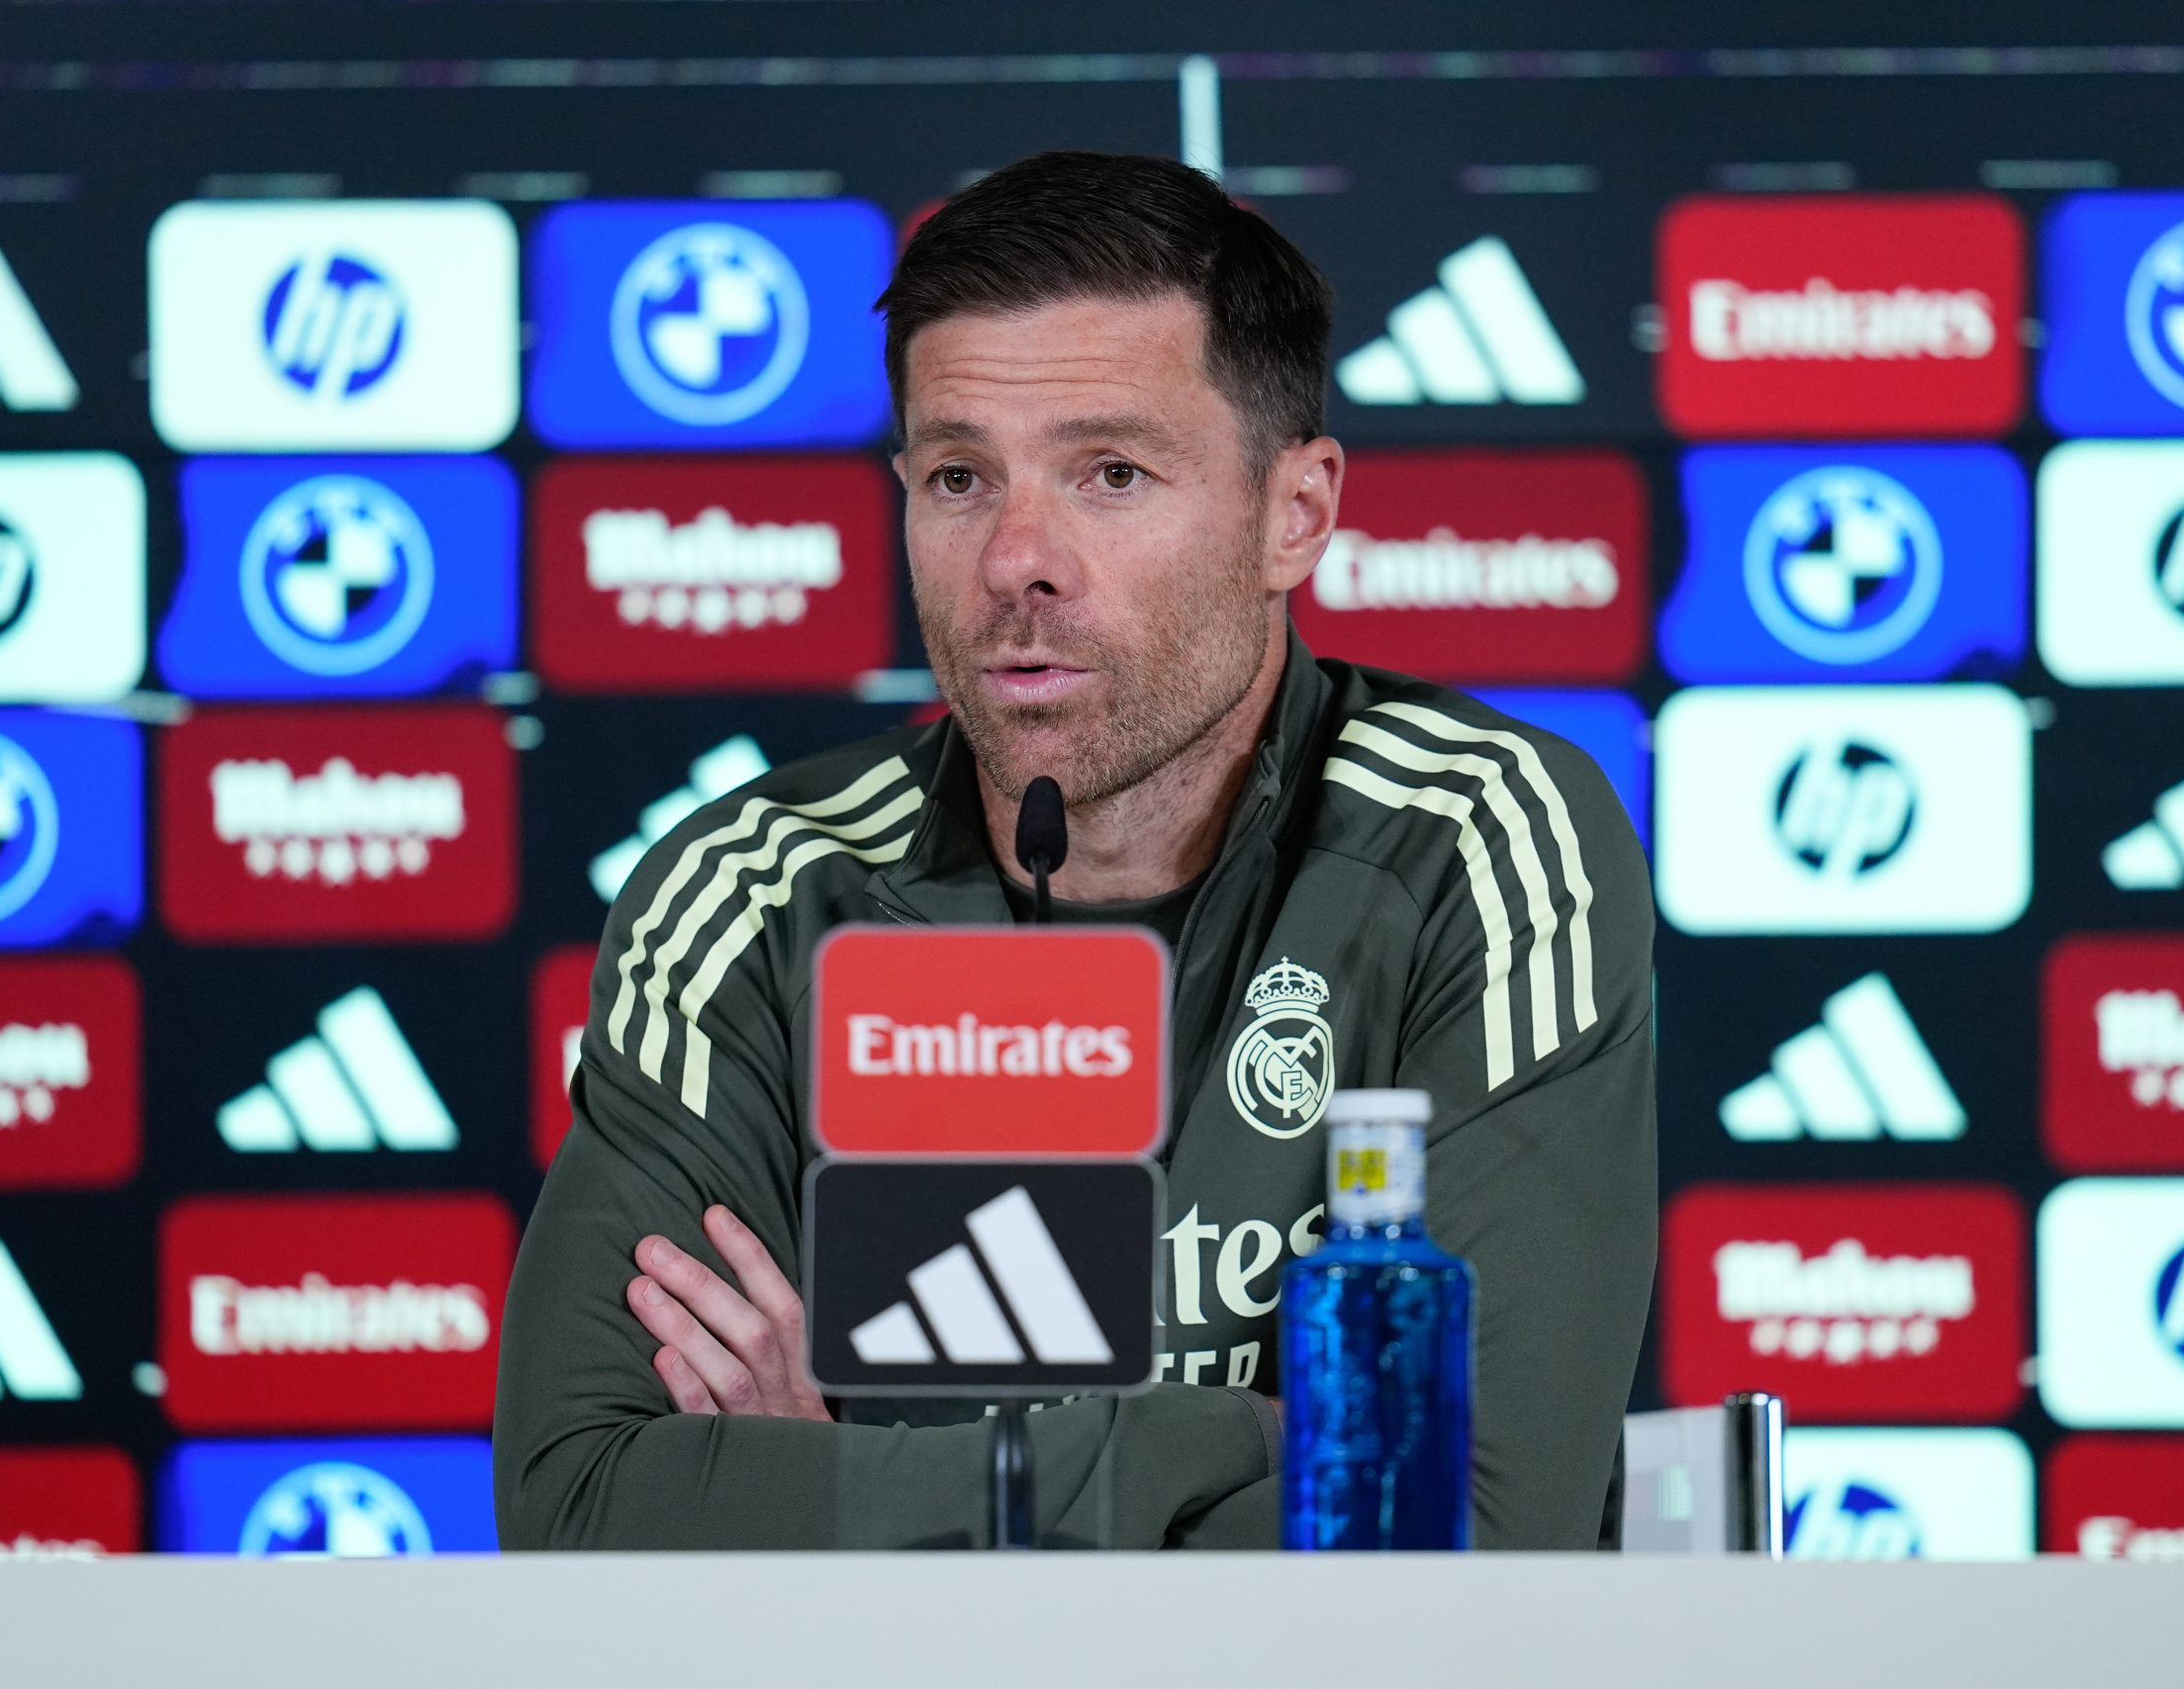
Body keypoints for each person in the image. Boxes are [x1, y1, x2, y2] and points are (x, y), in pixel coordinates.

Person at [496, 150, 1656, 1550]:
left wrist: (846, 1490)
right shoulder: (752, 895)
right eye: (959, 476)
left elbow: (1468, 1528)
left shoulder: (1481, 838)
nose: (1015, 561)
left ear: (1294, 515)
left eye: (1111, 473)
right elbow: (583, 1513)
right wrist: (1230, 1437)